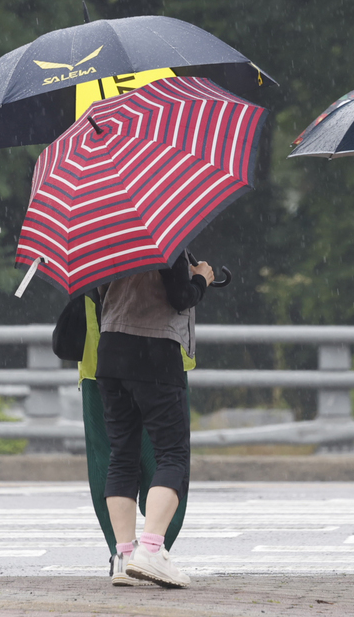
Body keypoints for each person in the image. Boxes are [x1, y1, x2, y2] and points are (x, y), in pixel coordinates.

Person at [97, 250, 213, 589]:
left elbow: (99, 296)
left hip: (110, 352)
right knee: (172, 454)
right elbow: (180, 297)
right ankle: (150, 550)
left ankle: (123, 555)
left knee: (122, 455)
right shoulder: (164, 244)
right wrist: (200, 280)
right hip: (155, 352)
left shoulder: (108, 241)